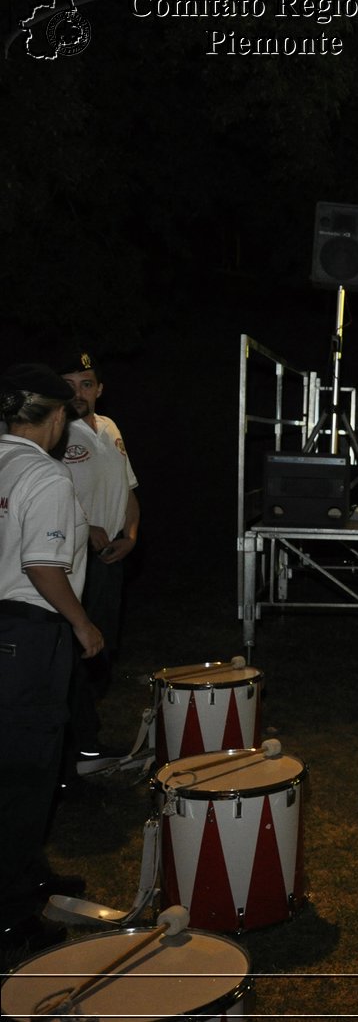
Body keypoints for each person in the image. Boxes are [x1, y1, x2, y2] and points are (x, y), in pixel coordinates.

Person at [0, 364, 103, 956]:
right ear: (58, 416)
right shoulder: (46, 475)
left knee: (15, 763)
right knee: (25, 779)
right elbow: (43, 565)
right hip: (28, 636)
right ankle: (12, 918)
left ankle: (29, 875)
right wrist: (82, 623)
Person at [57, 352, 138, 775]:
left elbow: (128, 488)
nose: (78, 393)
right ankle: (81, 747)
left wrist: (132, 536)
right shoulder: (52, 430)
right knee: (78, 647)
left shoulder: (109, 428)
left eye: (85, 383)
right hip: (72, 558)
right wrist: (86, 527)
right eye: (68, 384)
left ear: (99, 388)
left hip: (110, 557)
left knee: (104, 646)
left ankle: (85, 739)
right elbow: (54, 496)